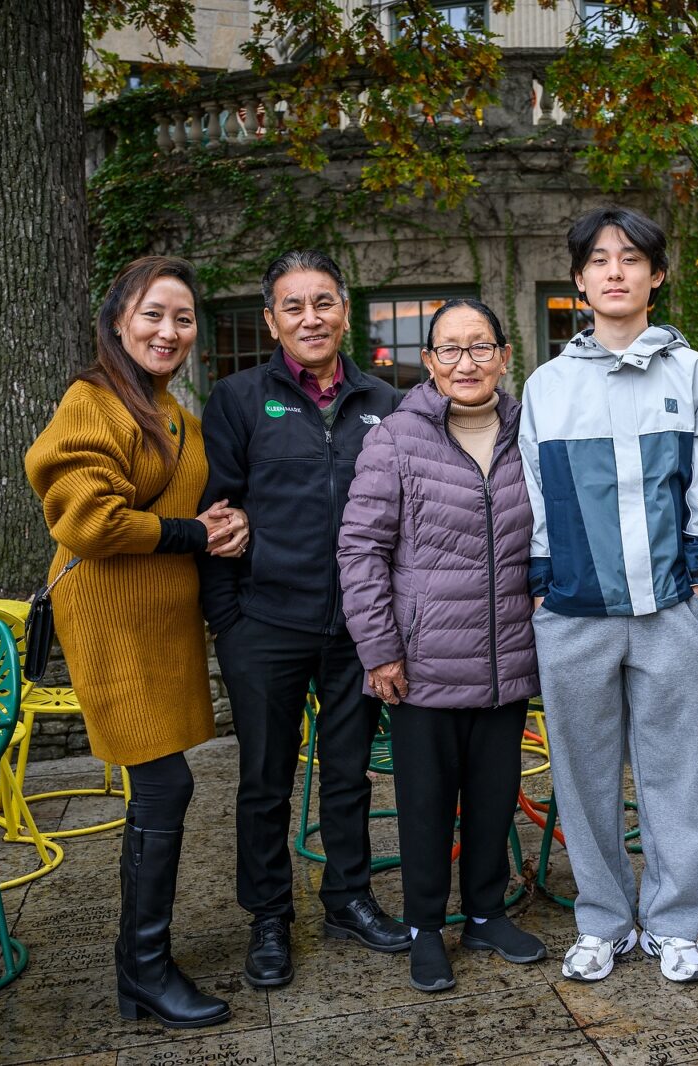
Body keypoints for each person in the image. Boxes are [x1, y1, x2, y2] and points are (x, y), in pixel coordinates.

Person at [26, 255, 249, 1029]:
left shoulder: (169, 410)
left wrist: (222, 525)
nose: (169, 330)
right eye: (153, 313)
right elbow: (86, 517)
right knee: (165, 786)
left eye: (183, 317)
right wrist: (191, 531)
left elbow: (194, 506)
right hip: (111, 617)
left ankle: (140, 969)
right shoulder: (94, 399)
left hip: (158, 617)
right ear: (119, 319)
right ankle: (144, 969)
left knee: (167, 785)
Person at [519, 205, 698, 984]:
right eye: (600, 260)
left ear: (656, 275)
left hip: (672, 608)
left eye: (631, 258)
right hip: (573, 614)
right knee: (582, 774)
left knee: (678, 773)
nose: (615, 270)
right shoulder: (546, 385)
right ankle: (603, 922)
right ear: (579, 280)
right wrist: (543, 590)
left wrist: (696, 579)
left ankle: (677, 925)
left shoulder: (696, 374)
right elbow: (537, 500)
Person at [198, 250, 407, 990]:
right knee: (264, 778)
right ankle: (267, 918)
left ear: (346, 310)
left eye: (324, 302)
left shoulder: (385, 400)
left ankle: (349, 896)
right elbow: (215, 514)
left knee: (348, 773)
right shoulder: (237, 399)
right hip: (266, 622)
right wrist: (230, 621)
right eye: (294, 306)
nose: (311, 317)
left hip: (358, 630)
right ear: (272, 320)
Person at [337, 298, 546, 993]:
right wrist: (379, 649)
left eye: (480, 347)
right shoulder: (396, 439)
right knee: (426, 802)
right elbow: (362, 547)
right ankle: (427, 926)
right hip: (421, 663)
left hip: (506, 656)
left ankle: (485, 913)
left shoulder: (531, 433)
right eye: (450, 350)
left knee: (494, 795)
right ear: (428, 362)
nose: (467, 363)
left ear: (504, 357)